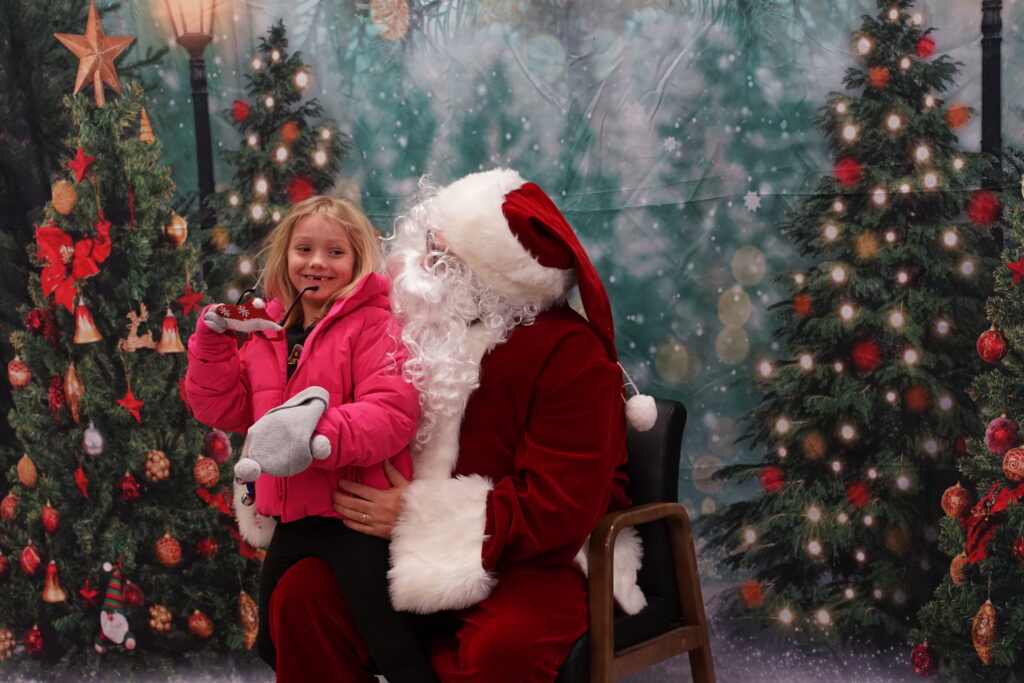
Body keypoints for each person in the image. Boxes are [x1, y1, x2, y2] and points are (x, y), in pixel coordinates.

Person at [263, 170, 650, 682]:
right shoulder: (410, 329)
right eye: (428, 244)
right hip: (393, 545)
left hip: (527, 559)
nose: (423, 264)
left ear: (496, 276)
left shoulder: (571, 356)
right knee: (303, 597)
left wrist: (420, 515)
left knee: (499, 651)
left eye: (445, 257)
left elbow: (560, 509)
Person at [184, 196, 435, 682]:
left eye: (335, 252)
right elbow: (222, 407)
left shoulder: (375, 325)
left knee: (391, 644)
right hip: (293, 518)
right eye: (304, 249)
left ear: (358, 262)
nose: (317, 262)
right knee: (275, 643)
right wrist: (213, 340)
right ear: (285, 259)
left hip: (352, 514)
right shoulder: (267, 334)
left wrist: (317, 438)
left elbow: (392, 413)